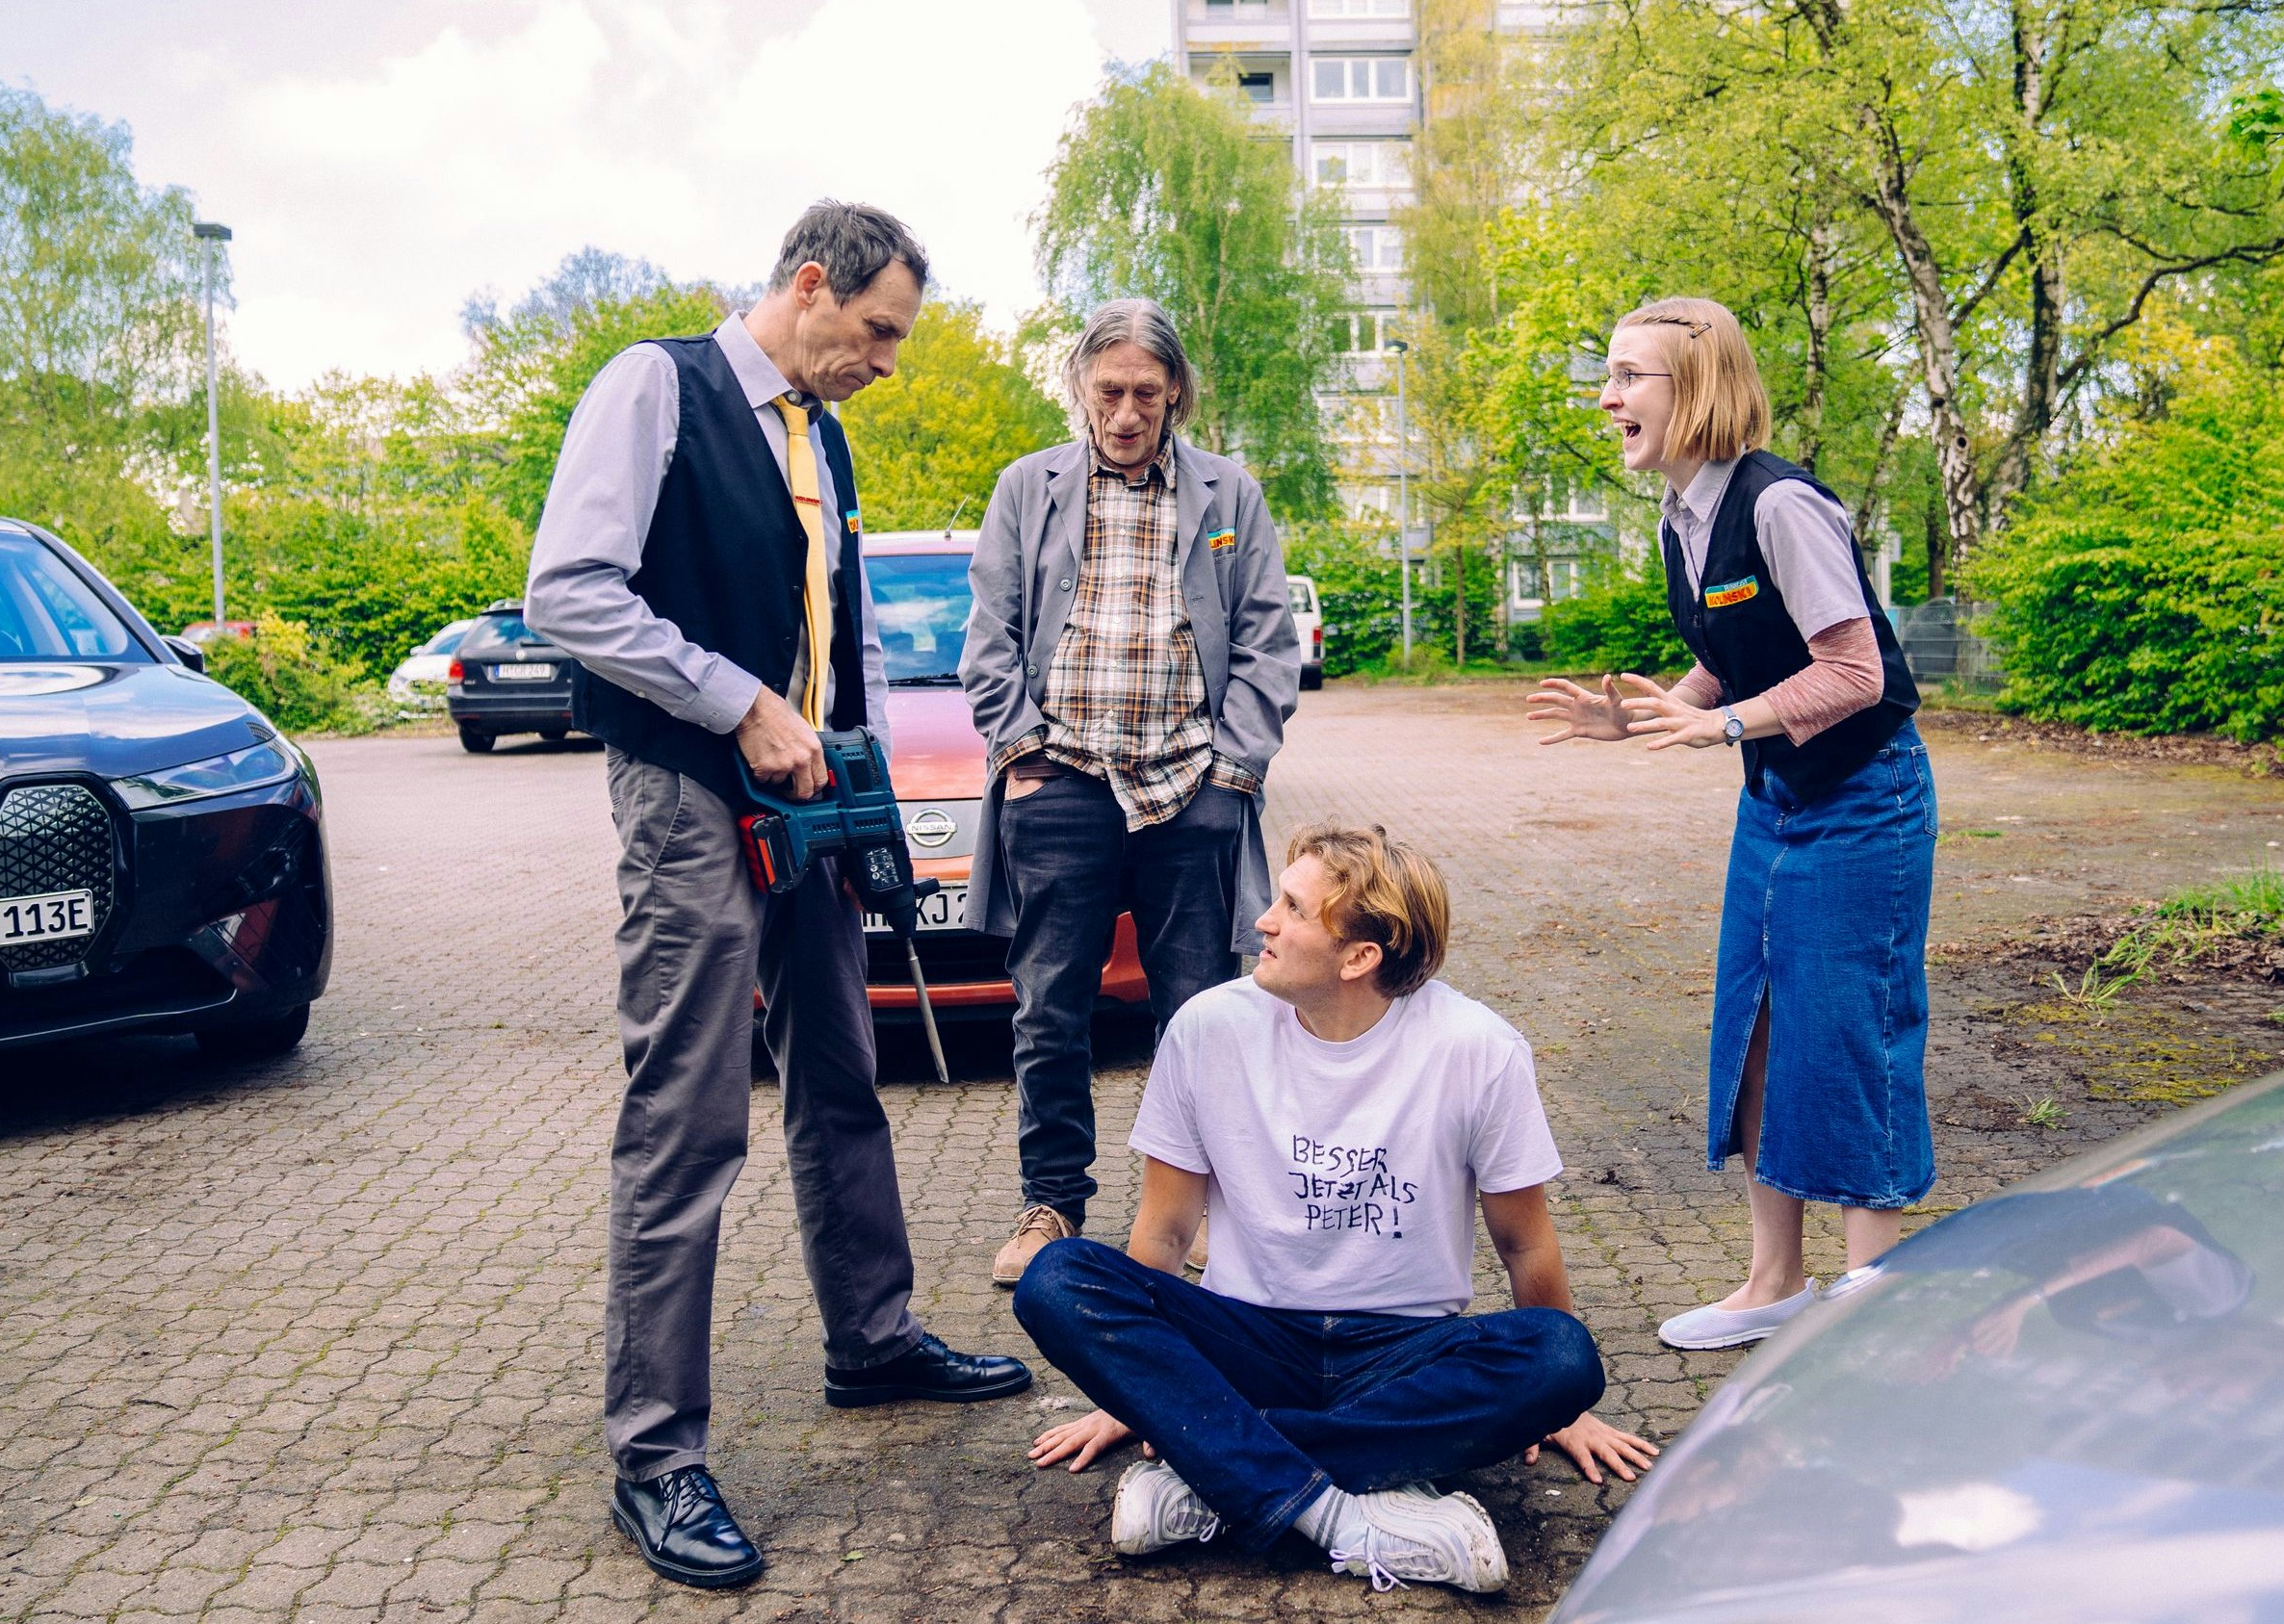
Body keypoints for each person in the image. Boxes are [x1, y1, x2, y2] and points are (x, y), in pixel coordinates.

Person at [524, 200, 1029, 1591]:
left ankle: (872, 1340)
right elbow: (567, 591)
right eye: (877, 330)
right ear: (812, 285)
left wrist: (849, 761)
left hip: (814, 801)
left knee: (844, 1076)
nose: (887, 358)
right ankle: (655, 1452)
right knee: (686, 1114)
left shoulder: (825, 433)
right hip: (692, 795)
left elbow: (829, 625)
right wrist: (739, 702)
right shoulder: (656, 386)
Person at [1012, 825, 1658, 1594]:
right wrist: (1133, 1387)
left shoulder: (1477, 1047)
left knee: (1563, 1357)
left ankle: (1213, 1469)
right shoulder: (1208, 1028)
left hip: (1403, 1353)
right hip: (1248, 1339)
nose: (1263, 920)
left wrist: (1566, 1412)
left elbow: (1525, 1244)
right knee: (1057, 1277)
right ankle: (1342, 1515)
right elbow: (1167, 1228)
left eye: (1292, 907)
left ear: (1359, 958)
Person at [1528, 296, 1937, 1353]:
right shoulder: (1682, 512)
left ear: (1696, 389)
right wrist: (1656, 712)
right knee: (1755, 1027)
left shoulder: (1781, 504)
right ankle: (1773, 1282)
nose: (1607, 397)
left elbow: (1854, 670)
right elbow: (1743, 651)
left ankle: (1874, 1290)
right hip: (1778, 800)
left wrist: (1724, 729)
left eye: (1628, 377)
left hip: (1864, 800)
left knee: (1843, 1032)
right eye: (1607, 375)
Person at [960, 297, 1301, 1285]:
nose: (1125, 413)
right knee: (1049, 1007)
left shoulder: (1229, 493)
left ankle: (1194, 1214)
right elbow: (988, 636)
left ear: (1176, 396)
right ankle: (1050, 1210)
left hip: (1191, 780)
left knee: (1199, 1009)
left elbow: (1270, 641)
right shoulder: (1028, 487)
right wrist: (1020, 748)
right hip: (1060, 776)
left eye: (1147, 393)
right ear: (1080, 388)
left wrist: (1235, 769)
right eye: (1108, 391)